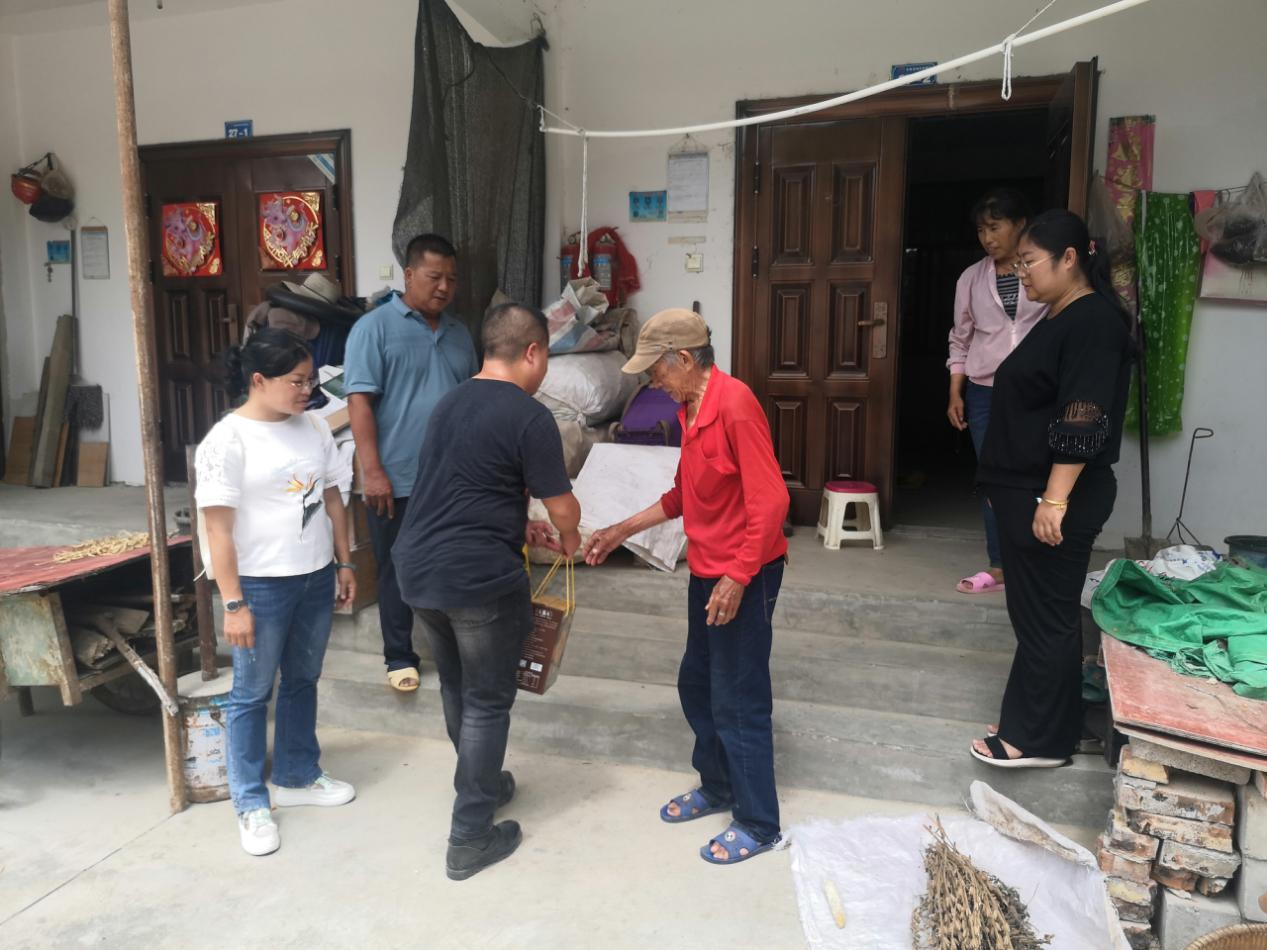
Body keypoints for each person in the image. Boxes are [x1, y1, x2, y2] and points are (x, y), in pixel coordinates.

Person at [585, 308, 790, 865]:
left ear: (682, 358)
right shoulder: (688, 410)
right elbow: (682, 496)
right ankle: (718, 785)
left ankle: (759, 822)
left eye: (655, 369)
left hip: (744, 573)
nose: (652, 381)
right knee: (696, 683)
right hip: (707, 570)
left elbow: (772, 500)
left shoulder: (735, 404)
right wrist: (619, 529)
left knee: (738, 697)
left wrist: (739, 575)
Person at [392, 302, 581, 881]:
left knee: (457, 685)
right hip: (476, 578)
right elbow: (562, 506)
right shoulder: (529, 416)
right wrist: (570, 537)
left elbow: (462, 487)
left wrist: (515, 526)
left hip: (418, 570)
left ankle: (485, 784)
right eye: (546, 359)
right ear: (532, 352)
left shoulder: (450, 403)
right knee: (487, 701)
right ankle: (470, 835)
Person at [970, 209, 1134, 769]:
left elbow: (1082, 414)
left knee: (1045, 617)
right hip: (1031, 491)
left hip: (1054, 497)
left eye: (1029, 263)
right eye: (1017, 265)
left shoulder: (1093, 323)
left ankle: (1036, 740)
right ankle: (1038, 721)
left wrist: (1054, 499)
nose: (1022, 275)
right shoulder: (1062, 315)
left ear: (1069, 259)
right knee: (1041, 615)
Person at [195, 328, 358, 856]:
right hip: (260, 585)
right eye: (297, 381)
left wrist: (344, 561)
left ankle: (296, 774)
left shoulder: (314, 426)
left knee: (303, 679)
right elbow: (217, 529)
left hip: (314, 575)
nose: (308, 390)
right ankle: (249, 801)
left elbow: (333, 498)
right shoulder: (228, 440)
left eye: (311, 380)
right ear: (259, 380)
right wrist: (233, 602)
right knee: (250, 692)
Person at [344, 234, 478, 693]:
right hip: (396, 477)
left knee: (454, 563)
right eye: (434, 277)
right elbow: (359, 402)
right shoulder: (374, 328)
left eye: (451, 279)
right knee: (396, 567)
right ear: (408, 274)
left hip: (453, 479)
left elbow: (472, 401)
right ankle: (399, 656)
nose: (444, 287)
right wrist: (373, 471)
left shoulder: (459, 333)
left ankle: (457, 652)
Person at [947, 188, 1049, 595]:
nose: (988, 238)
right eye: (981, 230)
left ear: (1021, 224)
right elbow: (961, 338)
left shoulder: (1042, 269)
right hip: (984, 391)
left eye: (995, 227)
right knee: (993, 478)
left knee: (1038, 475)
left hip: (1038, 389)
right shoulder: (971, 278)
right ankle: (1000, 563)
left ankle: (1039, 559)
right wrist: (955, 393)